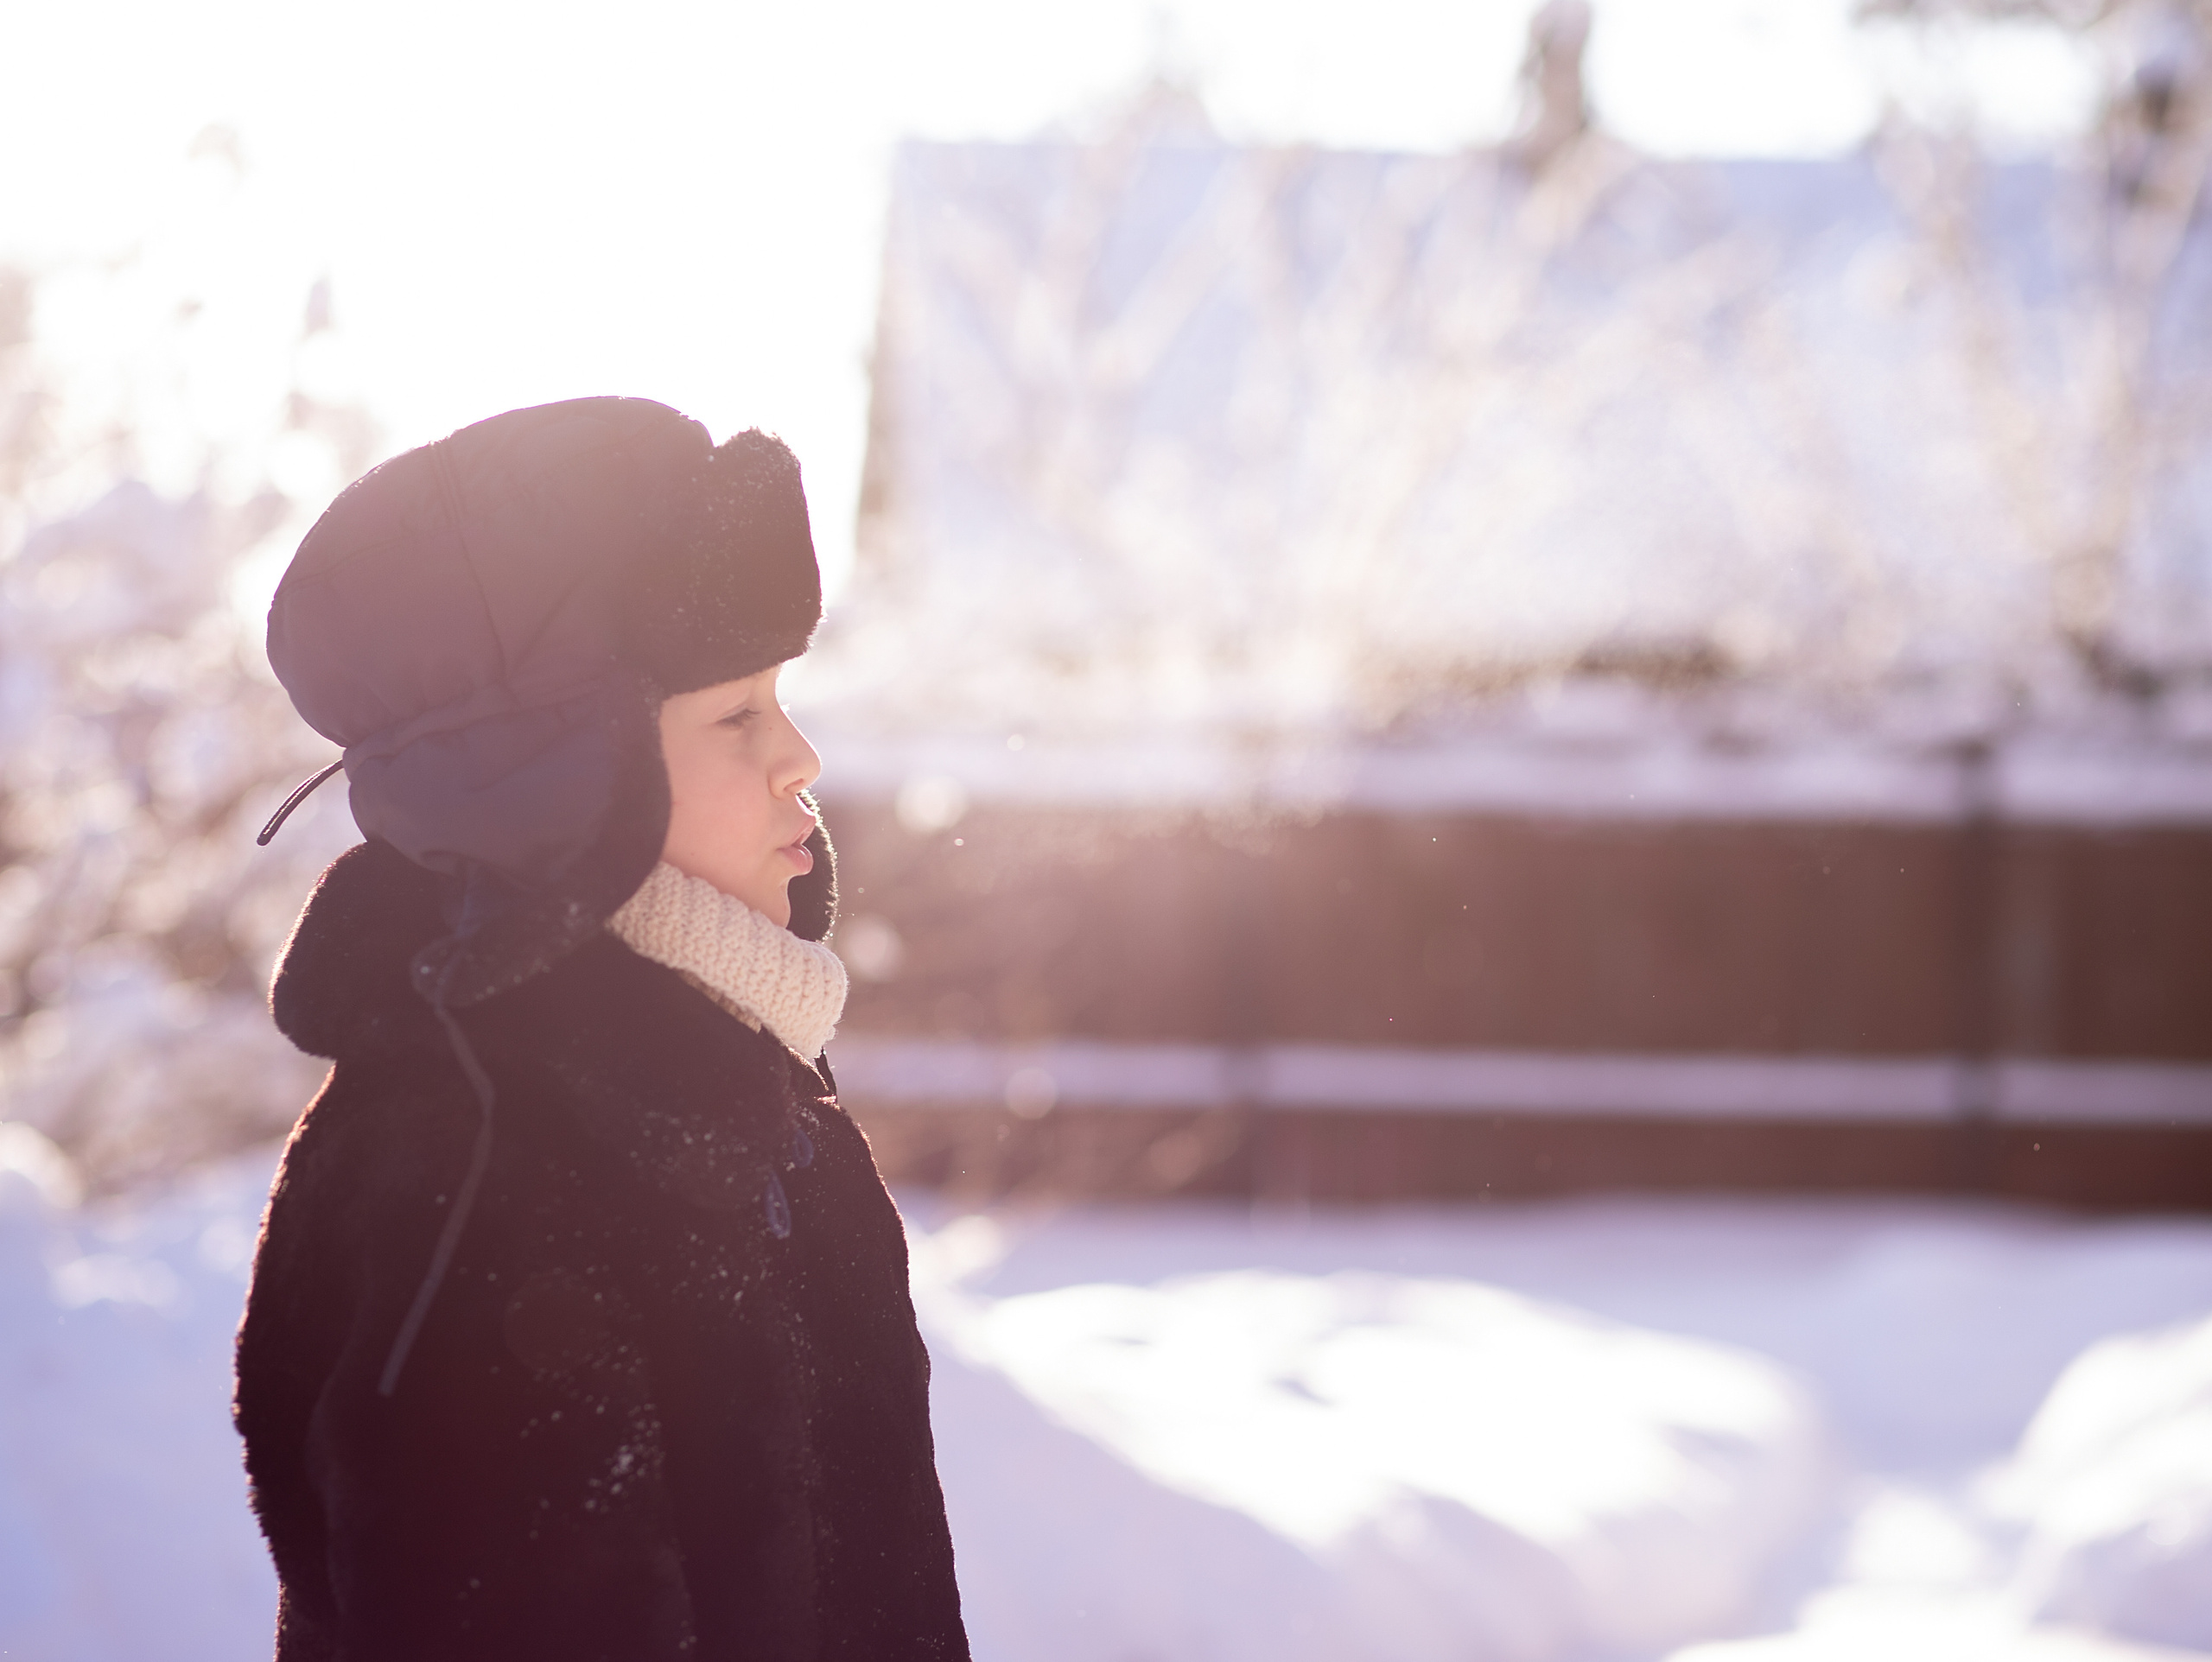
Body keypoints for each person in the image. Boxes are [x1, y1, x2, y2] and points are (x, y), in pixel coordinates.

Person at [233, 397, 969, 1661]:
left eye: (782, 700)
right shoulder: (468, 1173)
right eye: (736, 715)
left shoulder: (753, 1096)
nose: (800, 756)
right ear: (563, 776)